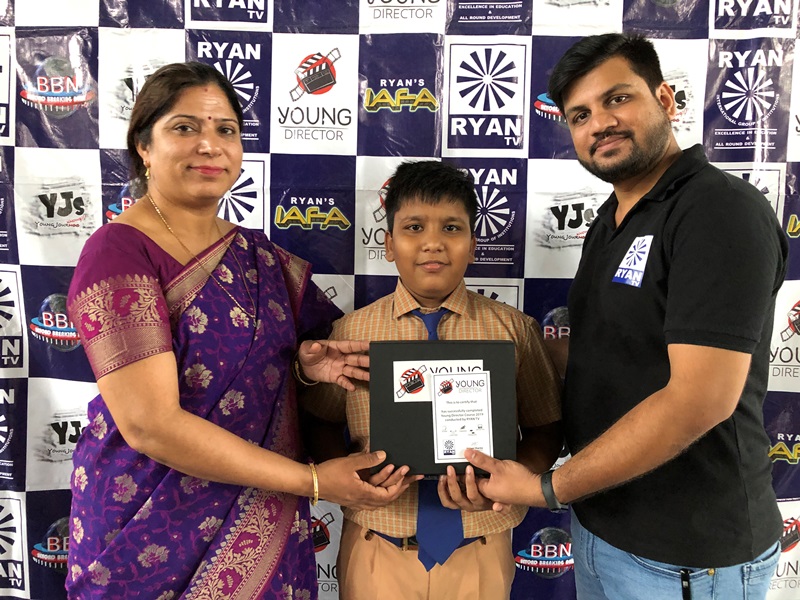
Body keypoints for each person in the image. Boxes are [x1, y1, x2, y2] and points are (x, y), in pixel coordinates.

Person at [65, 62, 413, 599]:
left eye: (225, 129)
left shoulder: (258, 256)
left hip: (261, 524)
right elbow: (150, 425)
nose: (209, 145)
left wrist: (304, 367)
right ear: (144, 145)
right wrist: (313, 482)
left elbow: (296, 360)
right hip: (145, 526)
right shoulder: (118, 252)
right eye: (185, 127)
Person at [466, 33, 787, 600]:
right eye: (580, 115)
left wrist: (547, 489)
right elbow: (608, 350)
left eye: (617, 99)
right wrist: (460, 358)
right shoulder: (612, 220)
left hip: (687, 556)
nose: (600, 124)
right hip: (603, 529)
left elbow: (699, 399)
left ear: (665, 99)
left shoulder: (716, 209)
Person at [303, 160, 563, 600]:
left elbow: (546, 427)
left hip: (480, 549)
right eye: (414, 227)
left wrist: (510, 482)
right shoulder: (350, 333)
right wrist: (351, 483)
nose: (433, 243)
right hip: (376, 548)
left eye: (451, 228)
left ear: (473, 245)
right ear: (388, 244)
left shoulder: (514, 330)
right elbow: (319, 422)